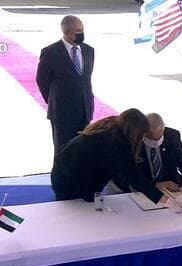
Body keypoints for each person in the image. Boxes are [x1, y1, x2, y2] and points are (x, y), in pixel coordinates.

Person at [50, 108, 169, 204]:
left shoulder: (112, 125)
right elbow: (132, 176)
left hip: (64, 169)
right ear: (134, 131)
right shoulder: (116, 142)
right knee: (77, 216)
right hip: (70, 179)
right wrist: (164, 199)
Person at [36, 15, 95, 154]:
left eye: (82, 30)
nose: (81, 34)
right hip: (62, 113)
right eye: (78, 31)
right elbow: (41, 80)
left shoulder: (89, 51)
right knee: (63, 151)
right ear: (66, 32)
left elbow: (86, 79)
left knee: (83, 150)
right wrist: (54, 100)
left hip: (84, 111)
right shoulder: (50, 52)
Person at [137, 113, 182, 194]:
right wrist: (154, 185)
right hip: (143, 192)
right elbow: (129, 175)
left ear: (163, 129)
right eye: (151, 139)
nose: (156, 141)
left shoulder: (172, 136)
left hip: (172, 190)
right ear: (142, 132)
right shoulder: (134, 141)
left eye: (159, 137)